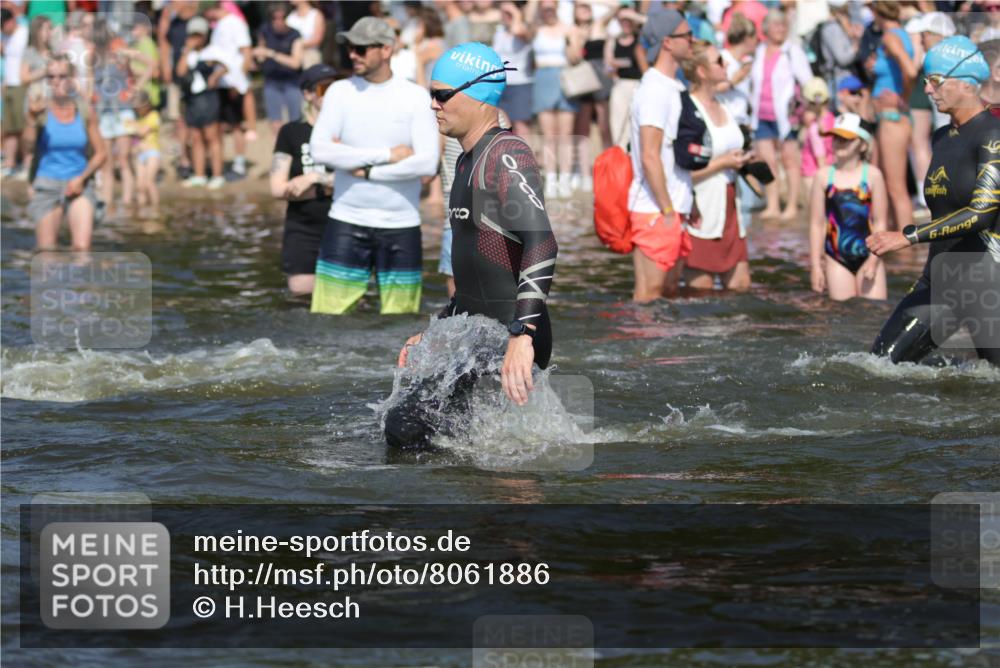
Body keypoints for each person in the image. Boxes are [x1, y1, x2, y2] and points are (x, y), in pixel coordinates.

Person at [386, 41, 558, 449]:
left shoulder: (505, 154)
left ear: (479, 94)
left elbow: (542, 242)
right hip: (474, 332)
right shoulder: (465, 159)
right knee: (437, 436)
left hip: (508, 332)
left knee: (406, 427)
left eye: (442, 95)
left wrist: (522, 335)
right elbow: (477, 265)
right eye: (431, 93)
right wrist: (438, 328)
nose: (433, 104)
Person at [867, 37, 999, 365]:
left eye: (935, 81)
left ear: (967, 84)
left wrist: (907, 236)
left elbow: (981, 214)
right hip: (941, 280)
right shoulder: (941, 138)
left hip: (989, 284)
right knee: (879, 367)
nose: (927, 89)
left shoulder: (993, 136)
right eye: (926, 81)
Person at [309, 16, 439, 315]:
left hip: (401, 225)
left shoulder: (415, 96)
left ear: (387, 49)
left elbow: (426, 162)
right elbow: (320, 150)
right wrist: (386, 155)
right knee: (328, 318)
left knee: (401, 320)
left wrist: (367, 171)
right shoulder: (339, 92)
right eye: (350, 47)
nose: (352, 54)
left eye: (361, 48)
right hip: (345, 219)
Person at [675, 40, 752, 292]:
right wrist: (724, 162)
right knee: (701, 292)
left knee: (741, 287)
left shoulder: (724, 104)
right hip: (702, 209)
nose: (726, 63)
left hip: (732, 207)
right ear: (702, 71)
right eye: (719, 61)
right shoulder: (686, 110)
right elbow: (681, 172)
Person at [627, 9, 693, 302]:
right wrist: (668, 211)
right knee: (649, 298)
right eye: (687, 36)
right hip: (655, 209)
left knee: (668, 297)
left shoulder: (675, 85)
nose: (693, 41)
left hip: (674, 206)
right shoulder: (654, 88)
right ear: (667, 42)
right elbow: (649, 156)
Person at [26, 55, 107, 250]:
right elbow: (27, 147)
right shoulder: (40, 110)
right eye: (51, 77)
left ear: (71, 79)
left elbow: (101, 153)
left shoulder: (85, 111)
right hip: (47, 183)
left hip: (78, 182)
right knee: (47, 252)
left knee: (81, 250)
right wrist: (31, 119)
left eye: (62, 76)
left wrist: (82, 178)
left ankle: (79, 279)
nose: (56, 81)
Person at [270, 63, 335, 298]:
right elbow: (277, 188)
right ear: (308, 94)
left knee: (342, 294)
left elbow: (360, 177)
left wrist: (313, 178)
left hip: (342, 221)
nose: (331, 93)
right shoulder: (291, 132)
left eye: (336, 88)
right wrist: (328, 184)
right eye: (324, 88)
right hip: (302, 225)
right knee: (300, 291)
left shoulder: (346, 130)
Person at [808, 112, 887, 301]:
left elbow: (880, 222)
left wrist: (874, 259)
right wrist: (816, 266)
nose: (839, 143)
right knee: (843, 315)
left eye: (846, 139)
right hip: (836, 258)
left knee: (874, 313)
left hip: (868, 255)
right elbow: (816, 224)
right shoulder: (823, 176)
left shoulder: (873, 176)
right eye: (836, 138)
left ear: (862, 144)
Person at [750, 9, 812, 221]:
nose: (779, 29)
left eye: (783, 25)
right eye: (775, 25)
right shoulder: (759, 51)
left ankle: (792, 205)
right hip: (761, 114)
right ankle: (773, 204)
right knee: (767, 161)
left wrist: (808, 109)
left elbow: (808, 82)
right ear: (766, 29)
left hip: (786, 116)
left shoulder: (792, 51)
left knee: (789, 160)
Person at [868, 1, 917, 231]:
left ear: (878, 11)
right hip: (888, 118)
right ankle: (883, 234)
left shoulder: (890, 36)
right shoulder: (901, 34)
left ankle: (907, 243)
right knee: (878, 180)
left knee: (896, 187)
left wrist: (902, 99)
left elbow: (910, 70)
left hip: (893, 117)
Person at [529, 0, 577, 199]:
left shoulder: (569, 29)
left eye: (551, 7)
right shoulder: (536, 28)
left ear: (557, 7)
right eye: (544, 7)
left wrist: (569, 42)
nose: (548, 11)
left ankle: (564, 177)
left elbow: (575, 57)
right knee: (548, 134)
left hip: (564, 76)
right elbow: (524, 21)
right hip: (542, 77)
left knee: (565, 133)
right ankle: (551, 178)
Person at [176, 16, 227, 189]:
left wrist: (215, 76)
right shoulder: (188, 53)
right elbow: (180, 72)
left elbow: (226, 66)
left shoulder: (213, 51)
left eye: (199, 35)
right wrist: (187, 50)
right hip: (192, 99)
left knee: (212, 136)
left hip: (208, 98)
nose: (196, 38)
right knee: (196, 137)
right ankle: (199, 174)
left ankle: (218, 174)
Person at [568, 1, 615, 189]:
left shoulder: (600, 25)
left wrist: (593, 1)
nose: (585, 8)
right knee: (582, 129)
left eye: (587, 7)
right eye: (580, 6)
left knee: (605, 127)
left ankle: (610, 168)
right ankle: (583, 170)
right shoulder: (572, 31)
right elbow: (574, 58)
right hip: (583, 81)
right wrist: (579, 38)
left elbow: (615, 7)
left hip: (602, 79)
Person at [254, 2, 304, 138]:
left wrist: (272, 54)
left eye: (282, 18)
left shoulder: (295, 35)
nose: (278, 22)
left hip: (291, 82)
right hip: (271, 81)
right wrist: (256, 58)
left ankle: (294, 150)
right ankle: (281, 150)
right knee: (275, 121)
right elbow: (260, 53)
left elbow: (295, 63)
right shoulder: (264, 30)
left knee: (295, 120)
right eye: (275, 18)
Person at [492, 0, 534, 138]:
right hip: (501, 83)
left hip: (520, 83)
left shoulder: (525, 28)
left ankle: (525, 159)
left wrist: (515, 13)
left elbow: (517, 30)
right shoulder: (499, 30)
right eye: (503, 12)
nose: (504, 15)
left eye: (508, 13)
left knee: (521, 126)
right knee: (503, 125)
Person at [19, 15, 53, 180]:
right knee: (32, 138)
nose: (50, 33)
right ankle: (30, 176)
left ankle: (45, 172)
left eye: (51, 29)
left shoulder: (53, 51)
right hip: (34, 100)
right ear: (37, 31)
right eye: (47, 29)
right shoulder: (30, 52)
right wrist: (44, 71)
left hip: (51, 101)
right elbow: (24, 78)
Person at [606, 5, 644, 148]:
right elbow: (608, 65)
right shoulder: (613, 40)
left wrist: (633, 15)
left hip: (639, 85)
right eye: (623, 19)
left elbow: (652, 24)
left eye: (629, 19)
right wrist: (618, 65)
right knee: (618, 127)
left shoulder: (641, 39)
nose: (626, 22)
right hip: (621, 85)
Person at [2, 7, 29, 176]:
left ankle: (27, 163)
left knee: (23, 127)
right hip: (9, 84)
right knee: (10, 127)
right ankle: (10, 163)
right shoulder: (4, 34)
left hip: (22, 84)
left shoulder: (25, 34)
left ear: (11, 21)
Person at [800, 77, 835, 199]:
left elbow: (819, 153)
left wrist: (825, 178)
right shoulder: (832, 119)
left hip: (814, 172)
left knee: (817, 213)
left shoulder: (815, 127)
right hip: (831, 168)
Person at [127, 90, 161, 209]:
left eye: (139, 107)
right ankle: (142, 209)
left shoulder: (154, 116)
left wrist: (132, 125)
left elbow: (142, 132)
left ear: (146, 105)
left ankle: (156, 208)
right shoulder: (138, 119)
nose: (137, 110)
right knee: (139, 185)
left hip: (152, 153)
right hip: (140, 154)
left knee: (149, 183)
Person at [288, 0, 325, 68]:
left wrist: (299, 44)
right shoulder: (290, 16)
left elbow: (318, 39)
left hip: (310, 57)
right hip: (291, 55)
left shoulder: (316, 14)